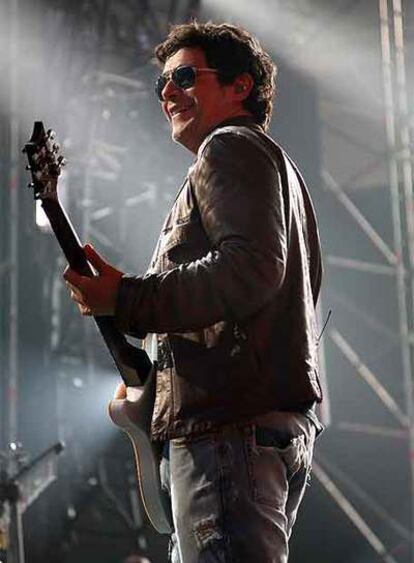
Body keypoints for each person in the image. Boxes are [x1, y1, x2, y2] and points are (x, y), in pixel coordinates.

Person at [64, 21, 324, 563]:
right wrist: (153, 383)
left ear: (240, 87)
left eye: (184, 76)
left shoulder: (228, 148)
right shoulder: (269, 166)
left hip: (226, 432)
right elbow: (246, 301)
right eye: (162, 82)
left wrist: (127, 298)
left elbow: (248, 271)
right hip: (246, 430)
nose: (167, 92)